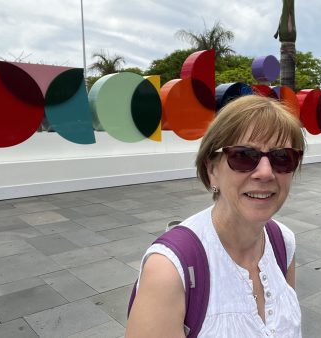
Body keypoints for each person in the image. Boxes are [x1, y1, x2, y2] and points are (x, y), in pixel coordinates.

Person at [125, 95, 305, 337]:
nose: (265, 172)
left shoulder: (282, 241)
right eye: (243, 155)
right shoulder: (168, 270)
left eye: (282, 157)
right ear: (212, 171)